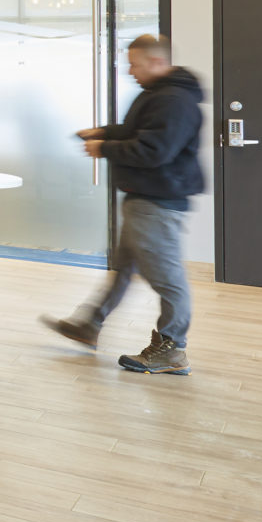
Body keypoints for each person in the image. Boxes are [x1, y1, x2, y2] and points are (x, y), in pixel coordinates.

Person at [41, 33, 206, 375]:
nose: (130, 71)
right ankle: (89, 325)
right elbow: (141, 132)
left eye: (135, 64)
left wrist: (104, 148)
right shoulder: (160, 95)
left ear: (157, 62)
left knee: (167, 278)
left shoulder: (174, 100)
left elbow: (154, 150)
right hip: (144, 198)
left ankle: (171, 350)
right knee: (123, 271)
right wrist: (105, 131)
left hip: (156, 202)